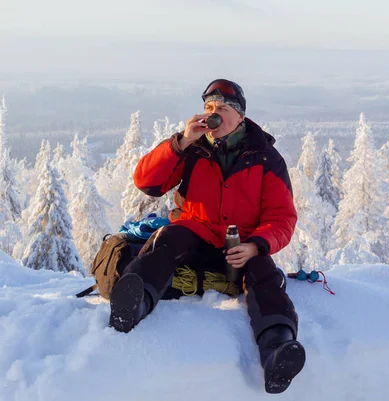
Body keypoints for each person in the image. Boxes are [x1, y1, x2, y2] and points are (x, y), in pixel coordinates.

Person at [108, 79, 304, 393]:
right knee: (167, 239)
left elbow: (282, 218)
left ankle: (277, 350)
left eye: (223, 108)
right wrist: (181, 142)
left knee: (263, 272)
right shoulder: (193, 149)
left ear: (240, 116)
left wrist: (256, 246)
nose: (213, 114)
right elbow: (146, 181)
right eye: (209, 107)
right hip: (193, 234)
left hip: (238, 247)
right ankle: (133, 306)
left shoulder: (266, 158)